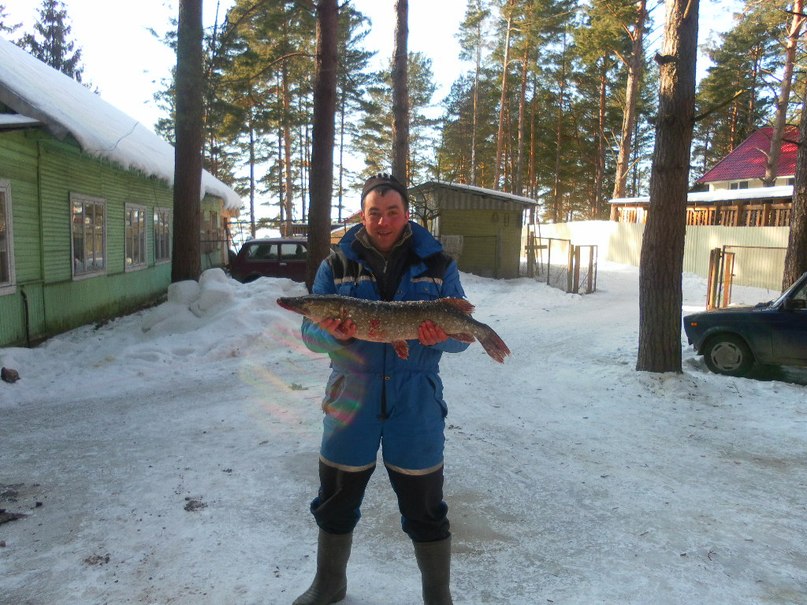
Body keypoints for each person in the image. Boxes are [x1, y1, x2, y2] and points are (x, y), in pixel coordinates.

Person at [292, 173, 469, 605]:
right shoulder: (334, 266)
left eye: (392, 212)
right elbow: (310, 336)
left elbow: (460, 338)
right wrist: (334, 334)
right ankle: (329, 584)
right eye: (375, 213)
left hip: (417, 401)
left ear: (406, 214)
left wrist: (437, 337)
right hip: (351, 397)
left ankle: (438, 598)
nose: (384, 221)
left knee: (425, 506)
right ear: (363, 216)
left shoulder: (439, 265)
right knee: (335, 497)